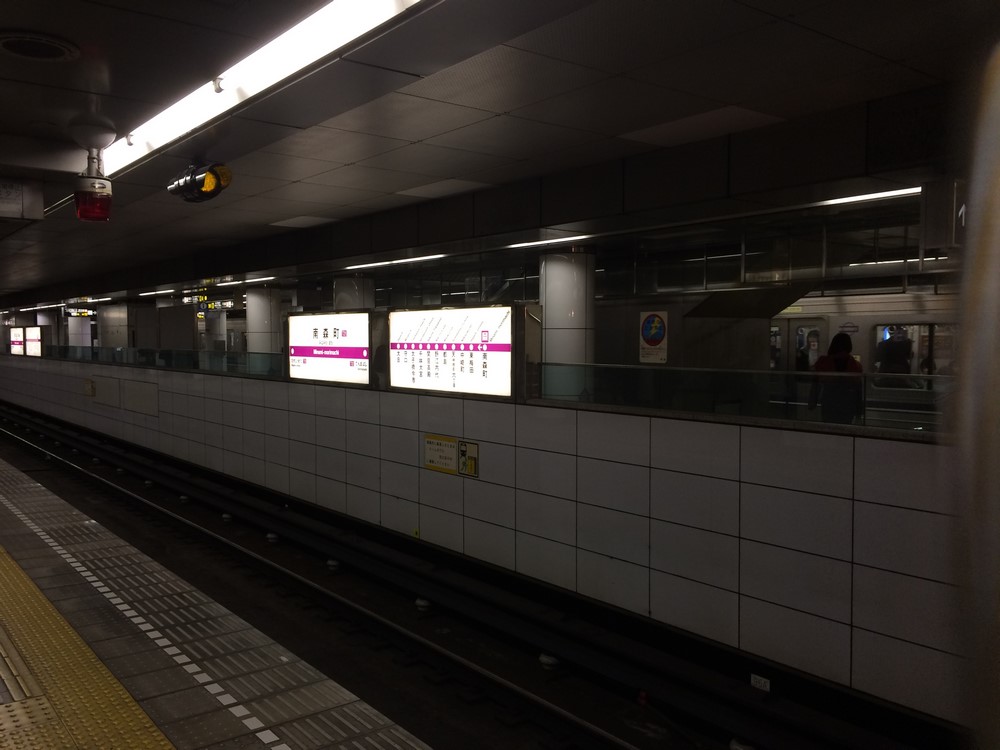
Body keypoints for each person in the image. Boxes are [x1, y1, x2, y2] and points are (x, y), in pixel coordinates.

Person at [809, 332, 863, 424]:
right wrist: (859, 411)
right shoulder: (856, 365)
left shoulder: (823, 362)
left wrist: (812, 403)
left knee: (828, 427)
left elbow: (815, 385)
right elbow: (858, 390)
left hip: (829, 402)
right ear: (849, 346)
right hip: (848, 404)